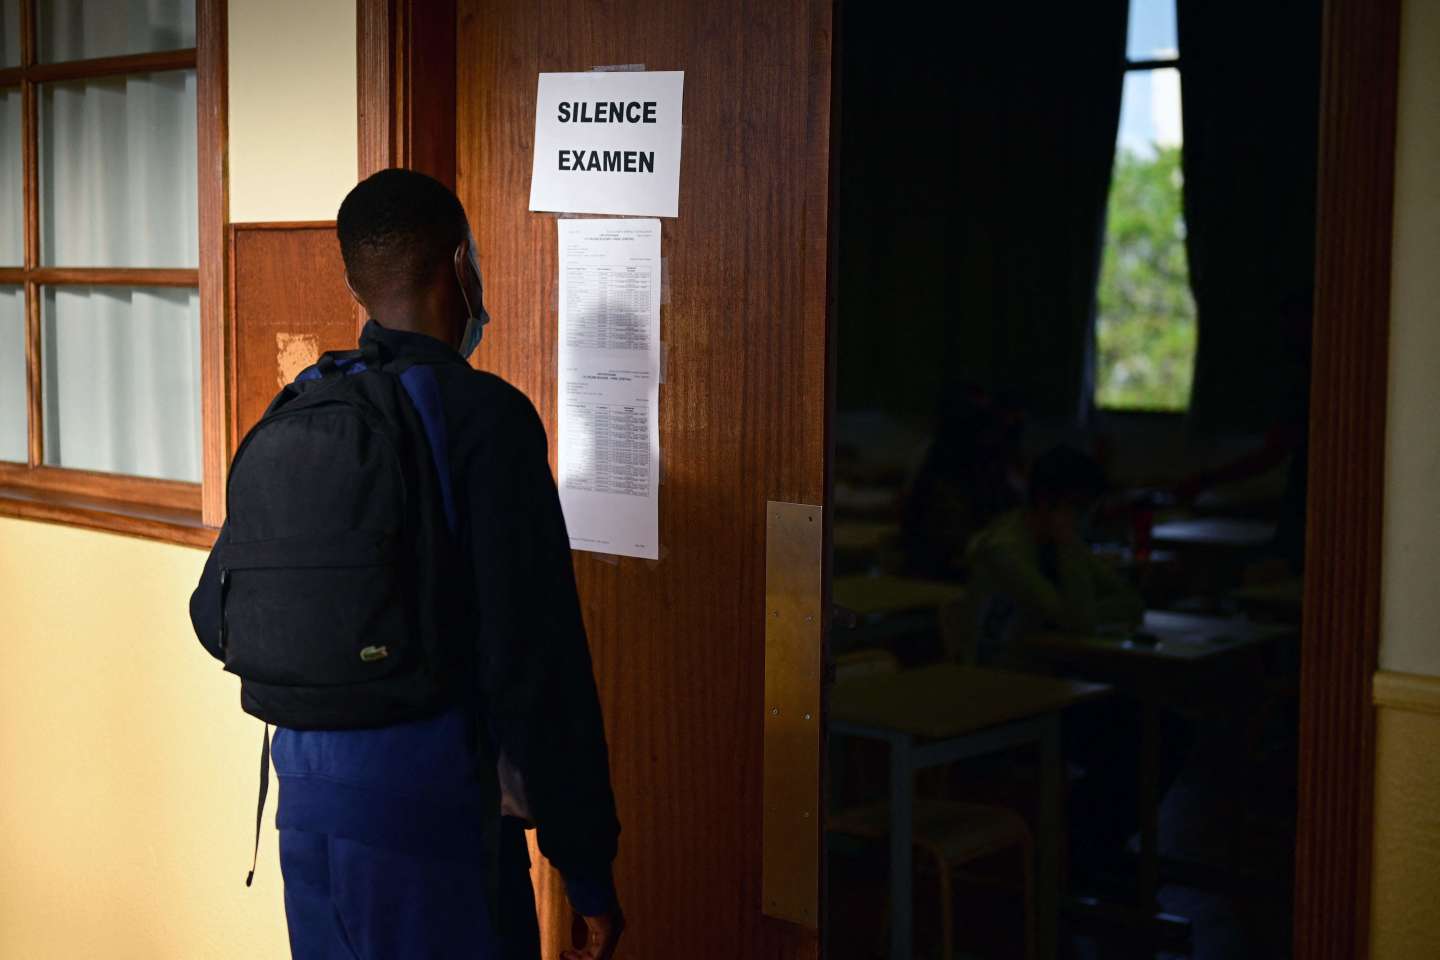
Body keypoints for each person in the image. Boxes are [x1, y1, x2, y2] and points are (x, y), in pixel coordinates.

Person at [190, 169, 623, 960]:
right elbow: (538, 665)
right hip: (433, 824)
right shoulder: (486, 419)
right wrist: (586, 864)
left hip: (307, 817)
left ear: (359, 284)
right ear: (459, 265)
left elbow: (211, 615)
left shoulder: (306, 401)